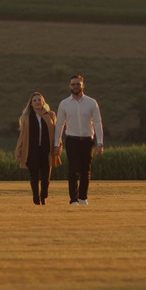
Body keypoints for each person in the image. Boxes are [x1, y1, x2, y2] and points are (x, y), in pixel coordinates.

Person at [52, 74, 104, 205]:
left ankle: (83, 198)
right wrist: (56, 144)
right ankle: (73, 199)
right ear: (69, 86)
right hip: (72, 140)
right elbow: (59, 125)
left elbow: (98, 123)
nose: (76, 86)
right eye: (73, 84)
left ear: (83, 85)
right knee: (73, 170)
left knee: (85, 170)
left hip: (87, 140)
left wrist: (100, 143)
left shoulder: (91, 102)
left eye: (78, 84)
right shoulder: (64, 104)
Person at [15, 92, 62, 205]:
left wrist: (58, 145)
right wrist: (19, 151)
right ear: (31, 104)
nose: (37, 102)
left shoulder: (50, 115)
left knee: (46, 177)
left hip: (46, 150)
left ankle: (43, 196)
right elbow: (22, 136)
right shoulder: (26, 117)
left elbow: (57, 133)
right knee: (34, 176)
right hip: (32, 150)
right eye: (34, 100)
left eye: (39, 100)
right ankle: (36, 198)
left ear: (43, 102)